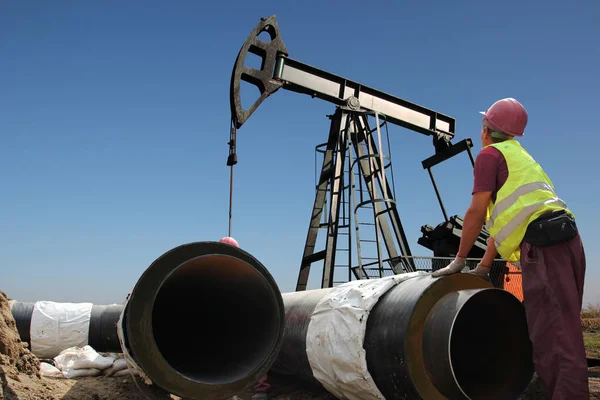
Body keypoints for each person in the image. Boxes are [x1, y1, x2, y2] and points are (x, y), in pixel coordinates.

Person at [431, 98, 589, 399]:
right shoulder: (521, 157)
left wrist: (459, 260)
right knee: (560, 334)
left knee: (554, 339)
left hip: (545, 247)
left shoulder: (489, 155)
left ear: (486, 129)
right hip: (567, 243)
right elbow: (501, 224)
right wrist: (484, 266)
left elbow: (477, 212)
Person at [219, 236, 272, 399]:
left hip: (242, 316)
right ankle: (237, 389)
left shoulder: (237, 268)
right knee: (250, 352)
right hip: (235, 317)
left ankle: (256, 388)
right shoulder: (234, 267)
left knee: (252, 352)